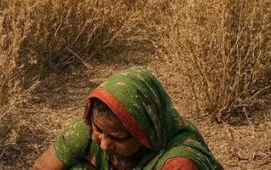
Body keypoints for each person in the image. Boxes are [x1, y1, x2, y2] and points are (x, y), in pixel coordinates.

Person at [30, 67, 223, 170]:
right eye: (98, 131)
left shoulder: (179, 163)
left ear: (145, 132)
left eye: (117, 138)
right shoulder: (87, 131)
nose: (104, 144)